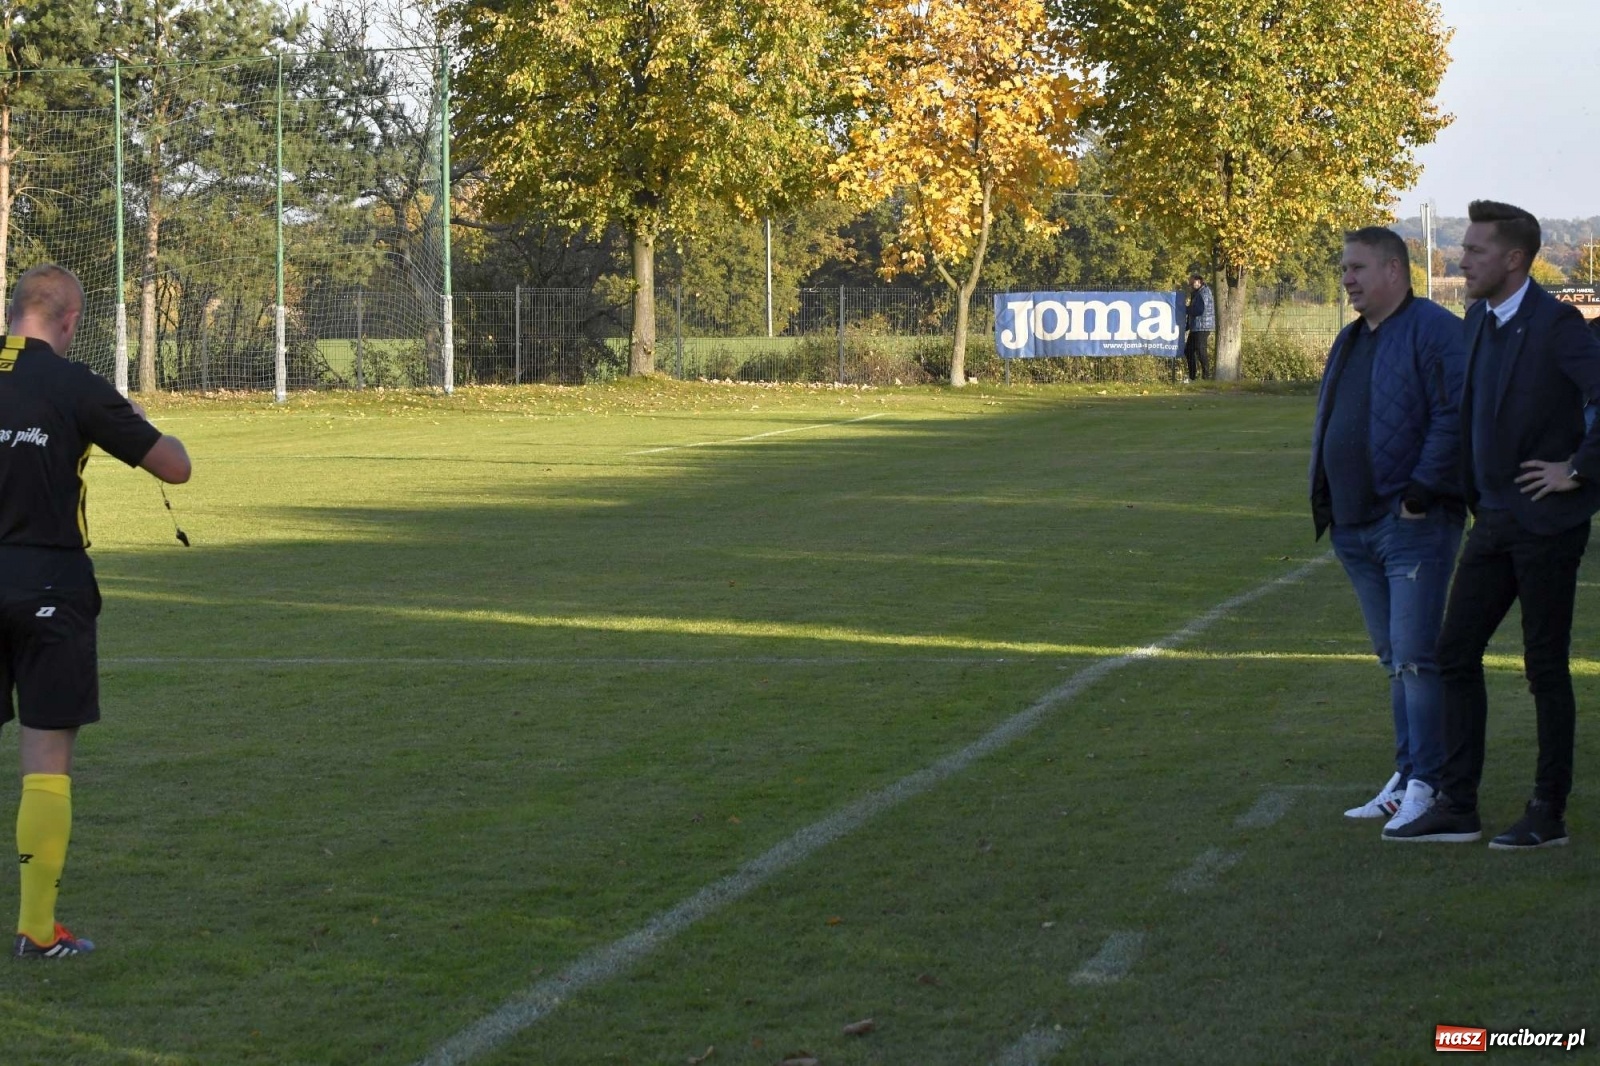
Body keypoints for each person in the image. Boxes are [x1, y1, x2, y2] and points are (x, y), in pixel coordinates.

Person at [1385, 201, 1600, 847]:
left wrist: (1578, 469)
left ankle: (1548, 810)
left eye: (1475, 250)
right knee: (1454, 654)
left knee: (1544, 666)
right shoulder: (1478, 318)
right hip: (1494, 518)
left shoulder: (1559, 325)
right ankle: (1458, 803)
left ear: (1513, 259)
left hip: (1547, 524)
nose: (1461, 258)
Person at [0, 264, 190, 957]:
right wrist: (133, 421)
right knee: (45, 763)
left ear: (15, 310)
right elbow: (175, 466)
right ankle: (35, 928)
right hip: (49, 582)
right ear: (72, 320)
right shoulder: (75, 384)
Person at [1310, 227, 1467, 836]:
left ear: (1395, 271)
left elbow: (1455, 414)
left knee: (1416, 660)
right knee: (1394, 661)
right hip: (1354, 528)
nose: (1346, 278)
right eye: (1344, 267)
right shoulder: (1351, 339)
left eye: (1357, 268)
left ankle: (1429, 783)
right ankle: (1406, 778)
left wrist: (1419, 493)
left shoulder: (1433, 329)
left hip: (1412, 526)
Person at [1184, 272, 1215, 381]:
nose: (1191, 285)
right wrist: (1187, 325)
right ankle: (1193, 376)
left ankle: (1206, 376)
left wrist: (1184, 309)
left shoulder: (1203, 293)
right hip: (1196, 326)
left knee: (1201, 350)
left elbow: (1198, 310)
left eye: (1192, 283)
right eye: (1190, 283)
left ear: (1199, 281)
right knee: (1188, 350)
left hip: (1203, 327)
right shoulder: (1197, 293)